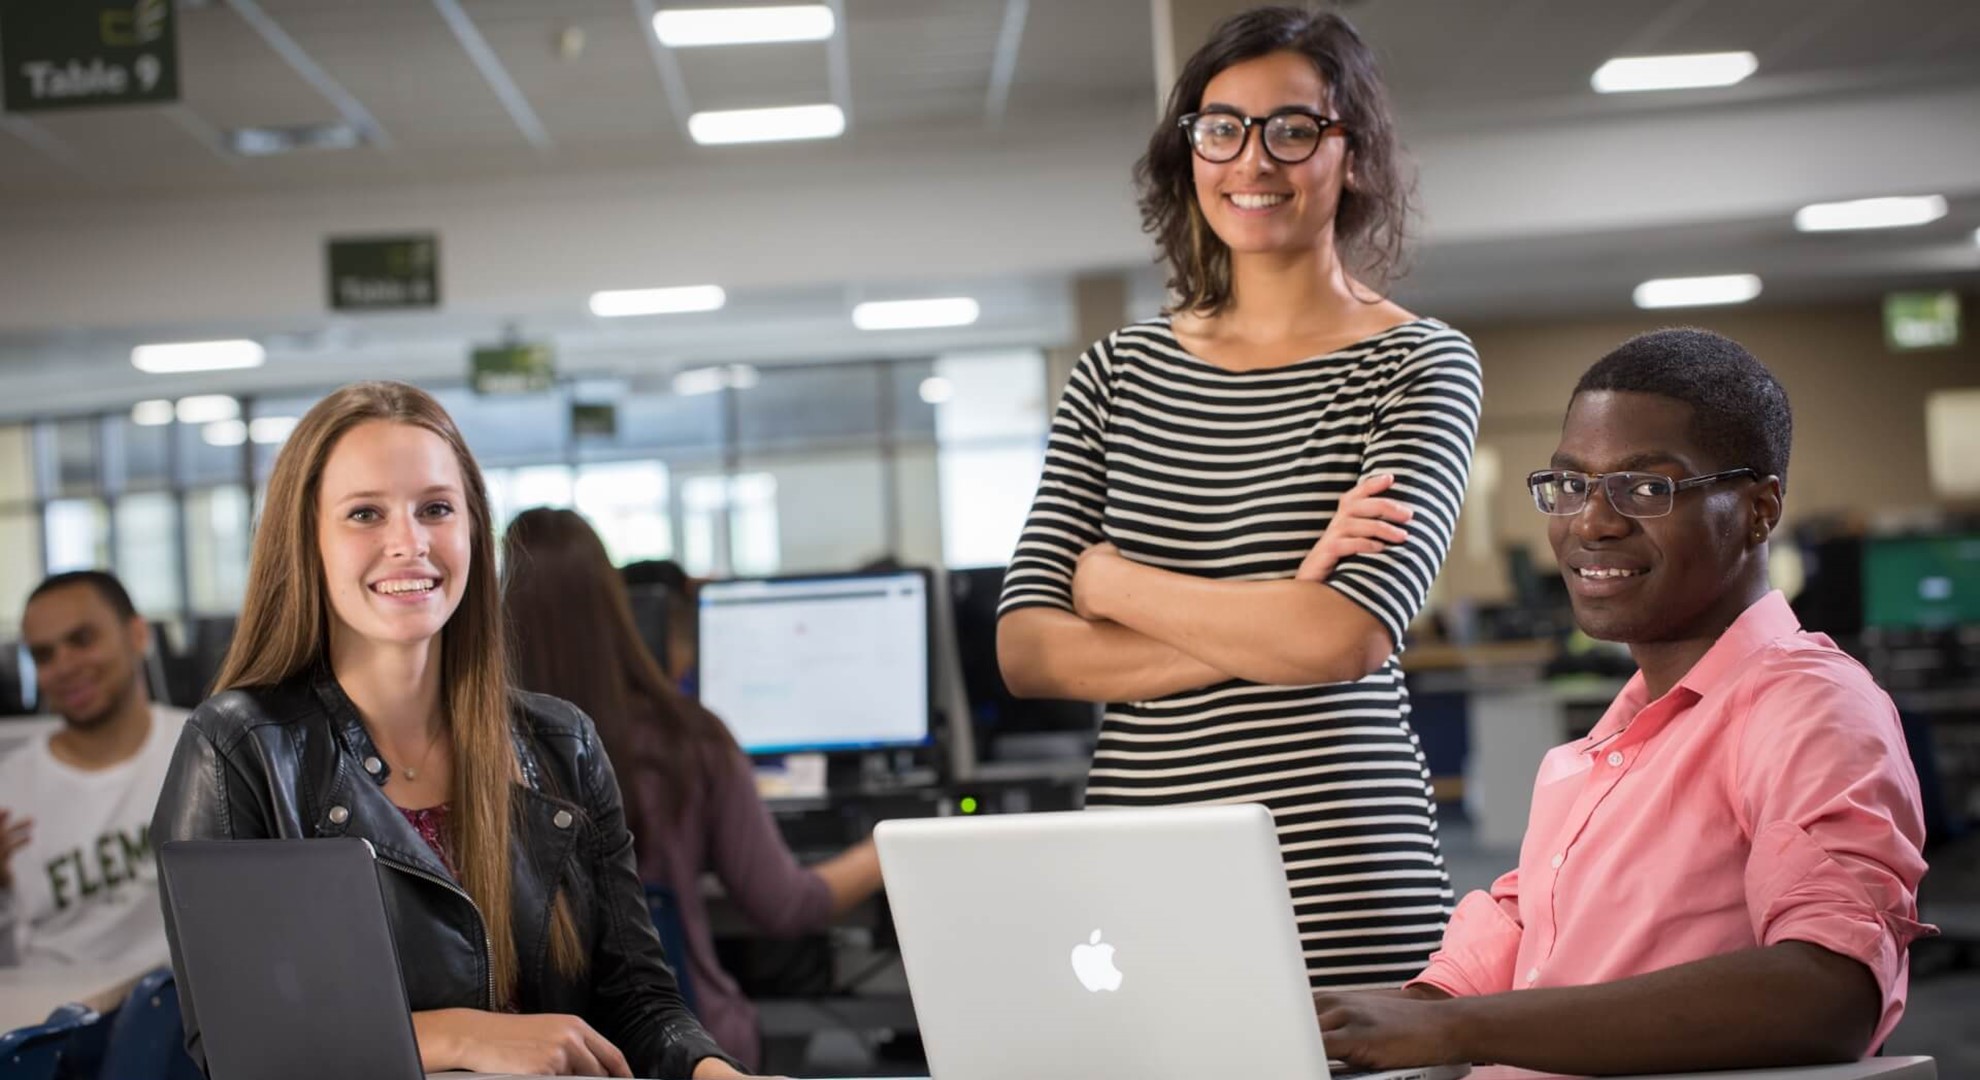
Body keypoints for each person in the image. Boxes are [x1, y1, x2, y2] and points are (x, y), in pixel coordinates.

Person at [996, 5, 1482, 989]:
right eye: (1221, 128)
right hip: (1141, 874)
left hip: (1343, 876)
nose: (1252, 161)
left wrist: (1112, 580)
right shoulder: (1116, 374)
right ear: (1189, 153)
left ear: (1354, 154)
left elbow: (1342, 641)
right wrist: (1281, 602)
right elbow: (1028, 652)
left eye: (1293, 129)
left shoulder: (1418, 364)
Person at [1313, 329, 1934, 1074]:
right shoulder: (1632, 725)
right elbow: (1534, 910)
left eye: (1647, 488)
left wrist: (1459, 1031)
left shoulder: (1805, 703)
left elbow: (1829, 991)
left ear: (1760, 510)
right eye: (1571, 484)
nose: (1592, 522)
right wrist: (1408, 1009)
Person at [150, 383, 749, 1078]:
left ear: (472, 530)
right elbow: (241, 1038)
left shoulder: (562, 743)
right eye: (364, 514)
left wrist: (718, 1073)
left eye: (436, 509)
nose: (408, 543)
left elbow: (641, 1004)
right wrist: (460, 1036)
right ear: (306, 541)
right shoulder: (240, 748)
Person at [504, 508, 884, 1072]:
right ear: (617, 606)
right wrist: (886, 851)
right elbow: (785, 905)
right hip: (690, 1039)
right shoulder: (688, 739)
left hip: (550, 1053)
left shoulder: (481, 751)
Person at [0, 571, 188, 968]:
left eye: (81, 640)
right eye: (44, 655)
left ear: (137, 635)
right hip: (54, 1019)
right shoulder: (9, 790)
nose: (64, 667)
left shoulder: (204, 749)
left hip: (184, 1012)